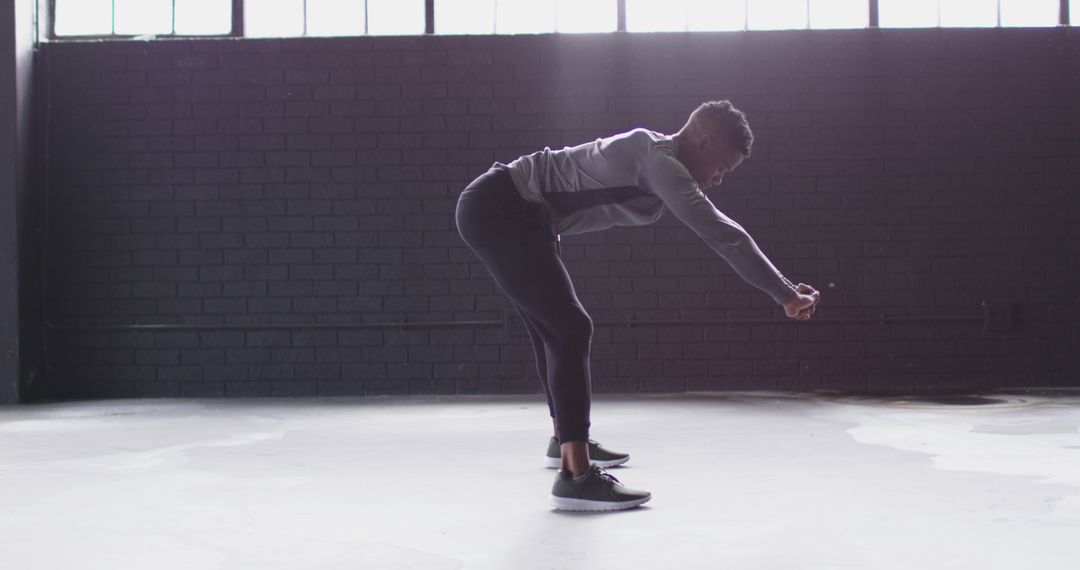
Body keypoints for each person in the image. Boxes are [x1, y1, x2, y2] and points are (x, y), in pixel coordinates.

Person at [454, 100, 821, 512]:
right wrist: (786, 294)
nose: (719, 179)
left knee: (553, 329)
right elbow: (725, 235)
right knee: (571, 328)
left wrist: (786, 286)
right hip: (501, 206)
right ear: (705, 141)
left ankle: (565, 442)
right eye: (723, 167)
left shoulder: (656, 154)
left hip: (520, 214)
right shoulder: (661, 165)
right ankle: (576, 477)